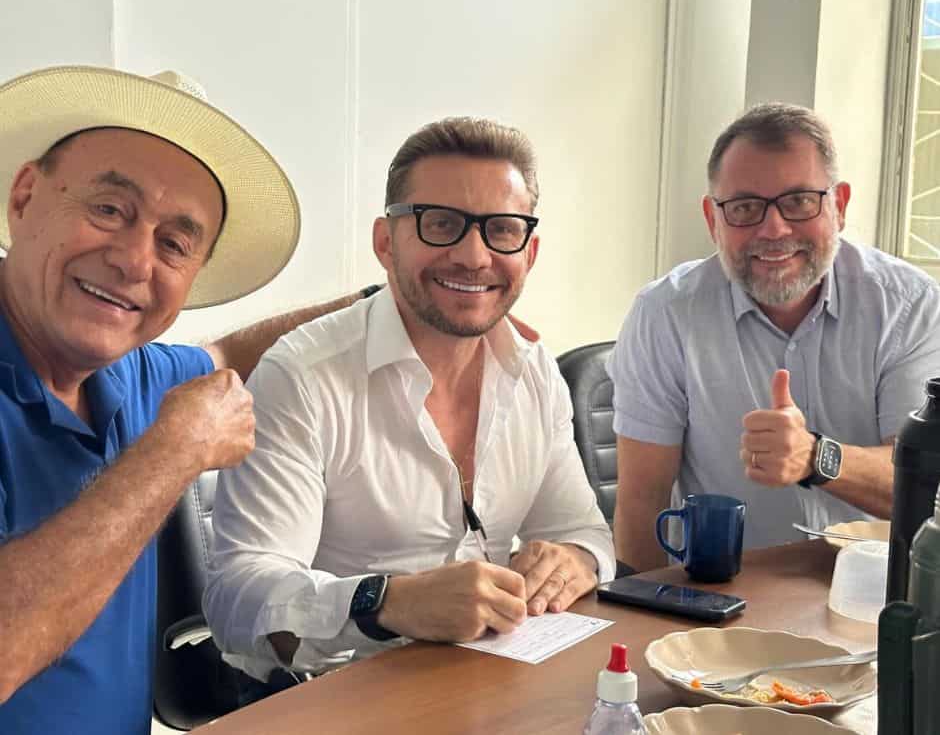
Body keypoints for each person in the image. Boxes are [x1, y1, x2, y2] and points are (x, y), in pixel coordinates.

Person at [0, 65, 372, 733]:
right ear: (24, 198)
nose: (135, 262)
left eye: (174, 243)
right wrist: (174, 453)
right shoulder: (157, 415)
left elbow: (228, 352)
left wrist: (381, 303)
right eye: (109, 210)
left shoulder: (134, 372)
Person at [204, 116, 615, 680]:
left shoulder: (534, 371)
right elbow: (236, 599)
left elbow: (585, 533)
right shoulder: (301, 377)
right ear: (385, 242)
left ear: (530, 251)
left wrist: (573, 560)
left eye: (501, 230)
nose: (474, 256)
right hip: (338, 695)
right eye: (441, 223)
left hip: (495, 684)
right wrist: (386, 602)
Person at [607, 102, 940, 572]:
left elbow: (927, 492)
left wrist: (815, 458)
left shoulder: (910, 306)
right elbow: (642, 504)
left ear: (840, 206)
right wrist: (645, 610)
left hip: (870, 592)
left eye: (799, 201)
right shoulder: (665, 314)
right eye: (745, 207)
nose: (774, 229)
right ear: (713, 220)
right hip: (717, 595)